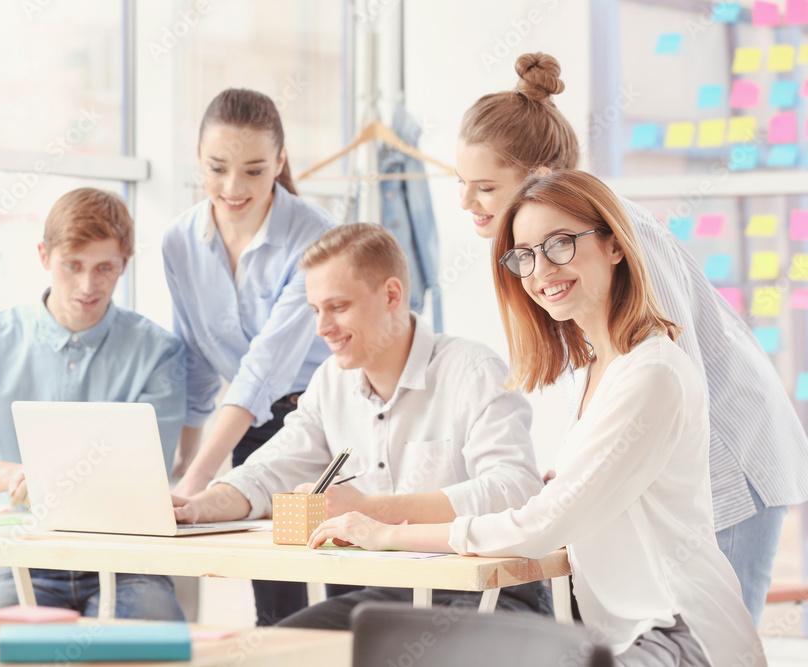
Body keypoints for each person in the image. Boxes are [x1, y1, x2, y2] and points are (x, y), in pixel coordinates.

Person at [310, 172, 764, 666]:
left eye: (560, 244)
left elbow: (541, 527)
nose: (541, 269)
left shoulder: (649, 371)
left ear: (614, 245)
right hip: (619, 633)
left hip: (678, 632)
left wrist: (386, 532)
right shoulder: (596, 367)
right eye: (524, 255)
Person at [453, 51, 808, 625]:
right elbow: (608, 383)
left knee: (715, 633)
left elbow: (667, 375)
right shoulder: (552, 259)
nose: (467, 203)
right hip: (700, 466)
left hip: (733, 462)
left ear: (542, 175)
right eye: (462, 184)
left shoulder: (619, 233)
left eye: (486, 187)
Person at [174, 223, 549, 630]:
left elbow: (515, 489)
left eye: (337, 307)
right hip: (379, 597)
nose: (322, 328)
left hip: (485, 597)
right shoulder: (330, 381)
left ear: (391, 295)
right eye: (315, 310)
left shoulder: (472, 370)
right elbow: (270, 471)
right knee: (275, 650)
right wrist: (198, 508)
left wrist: (375, 512)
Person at [0, 188, 187, 620]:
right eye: (73, 266)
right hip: (23, 563)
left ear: (125, 262)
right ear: (43, 256)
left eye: (105, 267)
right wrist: (13, 475)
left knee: (148, 650)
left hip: (130, 564)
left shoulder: (158, 352)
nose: (88, 286)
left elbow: (143, 476)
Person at [163, 88, 336, 624]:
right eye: (217, 168)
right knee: (278, 599)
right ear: (198, 159)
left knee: (349, 581)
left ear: (281, 162)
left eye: (255, 171)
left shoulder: (314, 234)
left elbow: (264, 366)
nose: (233, 188)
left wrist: (199, 482)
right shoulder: (180, 242)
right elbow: (193, 361)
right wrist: (183, 466)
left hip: (326, 421)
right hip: (249, 430)